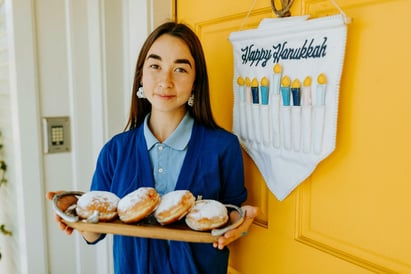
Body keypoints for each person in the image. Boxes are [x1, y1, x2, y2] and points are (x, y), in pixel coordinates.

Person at [47, 21, 258, 274]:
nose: (166, 81)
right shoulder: (115, 151)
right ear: (141, 75)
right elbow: (94, 235)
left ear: (195, 81)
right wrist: (74, 214)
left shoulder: (224, 147)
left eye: (180, 69)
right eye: (155, 66)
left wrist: (242, 223)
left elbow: (232, 217)